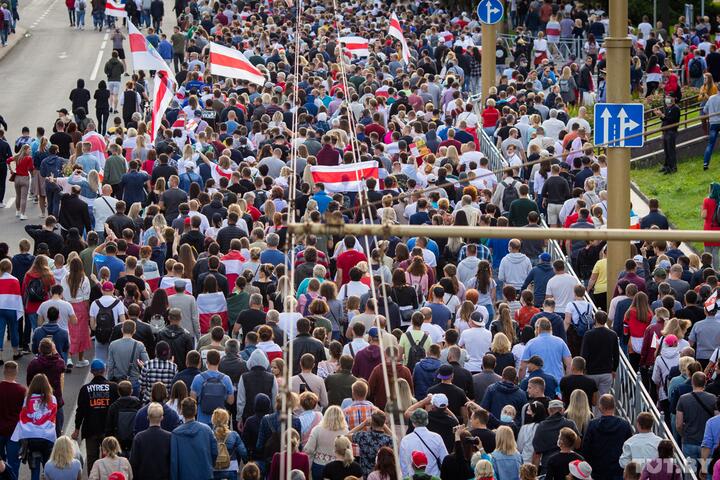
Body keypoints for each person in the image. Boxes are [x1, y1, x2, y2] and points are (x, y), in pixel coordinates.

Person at [72, 359, 119, 473]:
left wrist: (77, 429)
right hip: (108, 430)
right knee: (108, 458)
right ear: (104, 370)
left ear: (92, 372)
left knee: (92, 459)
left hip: (90, 429)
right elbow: (117, 410)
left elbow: (80, 411)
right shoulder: (113, 387)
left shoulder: (85, 389)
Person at [581, 395, 632, 480]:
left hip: (597, 470)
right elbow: (629, 447)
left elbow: (586, 448)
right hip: (618, 470)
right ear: (614, 406)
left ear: (600, 407)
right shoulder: (624, 425)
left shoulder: (593, 425)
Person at [170, 397, 218, 480]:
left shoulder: (175, 434)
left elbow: (174, 461)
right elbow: (215, 452)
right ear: (195, 411)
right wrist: (209, 466)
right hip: (205, 474)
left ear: (182, 411)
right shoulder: (207, 430)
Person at [399, 409, 448, 478]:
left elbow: (403, 465)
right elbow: (445, 460)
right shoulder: (437, 437)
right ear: (427, 421)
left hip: (413, 477)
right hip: (434, 477)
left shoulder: (405, 440)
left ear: (413, 422)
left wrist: (406, 478)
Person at [190, 350, 235, 425]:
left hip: (202, 419)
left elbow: (192, 400)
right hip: (220, 419)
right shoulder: (226, 379)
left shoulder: (198, 378)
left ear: (206, 362)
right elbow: (231, 401)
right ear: (219, 361)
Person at [129, 402, 171, 480]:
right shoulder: (169, 437)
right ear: (162, 418)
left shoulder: (139, 437)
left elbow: (133, 463)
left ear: (148, 417)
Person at [0, 361, 25, 479]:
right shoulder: (22, 391)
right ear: (16, 373)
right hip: (14, 432)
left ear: (4, 372)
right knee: (14, 462)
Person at [659, 95, 681, 174]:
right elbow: (665, 120)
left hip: (671, 132)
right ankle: (667, 166)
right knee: (666, 150)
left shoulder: (675, 108)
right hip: (666, 131)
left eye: (669, 97)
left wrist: (662, 115)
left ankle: (673, 168)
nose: (667, 99)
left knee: (671, 150)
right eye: (667, 97)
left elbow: (672, 120)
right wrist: (660, 116)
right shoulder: (668, 108)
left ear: (673, 98)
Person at [703, 90, 720, 170]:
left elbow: (704, 110)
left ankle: (705, 163)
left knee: (710, 144)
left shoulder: (711, 98)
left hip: (713, 123)